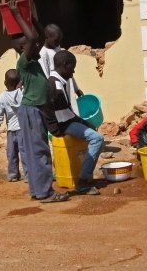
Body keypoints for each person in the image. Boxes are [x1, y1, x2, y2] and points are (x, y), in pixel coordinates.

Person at [8, 0, 69, 203]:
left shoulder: (34, 60)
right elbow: (33, 36)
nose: (35, 44)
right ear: (21, 48)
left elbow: (39, 35)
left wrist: (31, 16)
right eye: (29, 44)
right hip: (32, 110)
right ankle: (45, 192)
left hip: (36, 110)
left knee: (35, 152)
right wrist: (17, 14)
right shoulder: (23, 63)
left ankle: (38, 190)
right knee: (40, 151)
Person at [47, 49, 104, 195]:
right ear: (66, 65)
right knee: (97, 139)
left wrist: (83, 122)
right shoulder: (56, 87)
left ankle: (84, 175)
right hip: (61, 125)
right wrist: (84, 123)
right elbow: (65, 117)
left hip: (64, 121)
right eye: (72, 68)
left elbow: (66, 113)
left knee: (90, 131)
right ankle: (83, 181)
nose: (73, 72)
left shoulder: (57, 81)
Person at [0, 69, 27, 182]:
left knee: (11, 153)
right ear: (19, 82)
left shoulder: (2, 97)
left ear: (5, 83)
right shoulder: (22, 93)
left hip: (11, 130)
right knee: (25, 152)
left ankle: (13, 175)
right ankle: (29, 175)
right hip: (23, 128)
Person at [38, 23, 84, 114]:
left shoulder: (58, 48)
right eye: (56, 40)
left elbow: (69, 71)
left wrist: (76, 89)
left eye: (60, 40)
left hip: (68, 89)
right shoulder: (43, 54)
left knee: (74, 113)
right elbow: (46, 77)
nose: (59, 43)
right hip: (58, 93)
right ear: (47, 37)